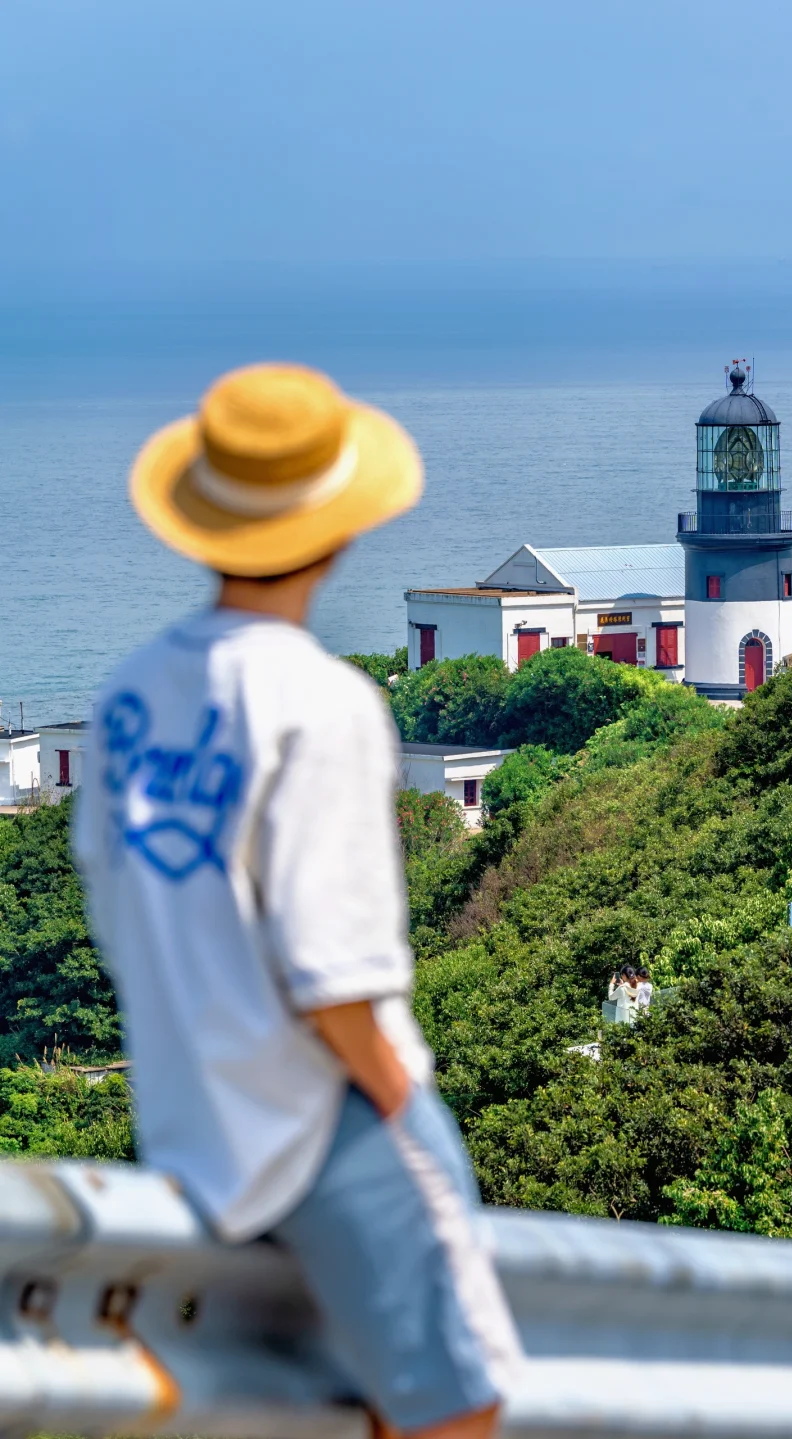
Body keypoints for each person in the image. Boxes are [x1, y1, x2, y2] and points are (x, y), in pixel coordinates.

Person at [74, 364, 521, 1439]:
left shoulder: (130, 694)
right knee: (459, 1408)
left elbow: (117, 905)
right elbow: (336, 978)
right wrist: (404, 1105)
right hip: (323, 1124)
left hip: (188, 1121)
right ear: (338, 530)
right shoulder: (324, 705)